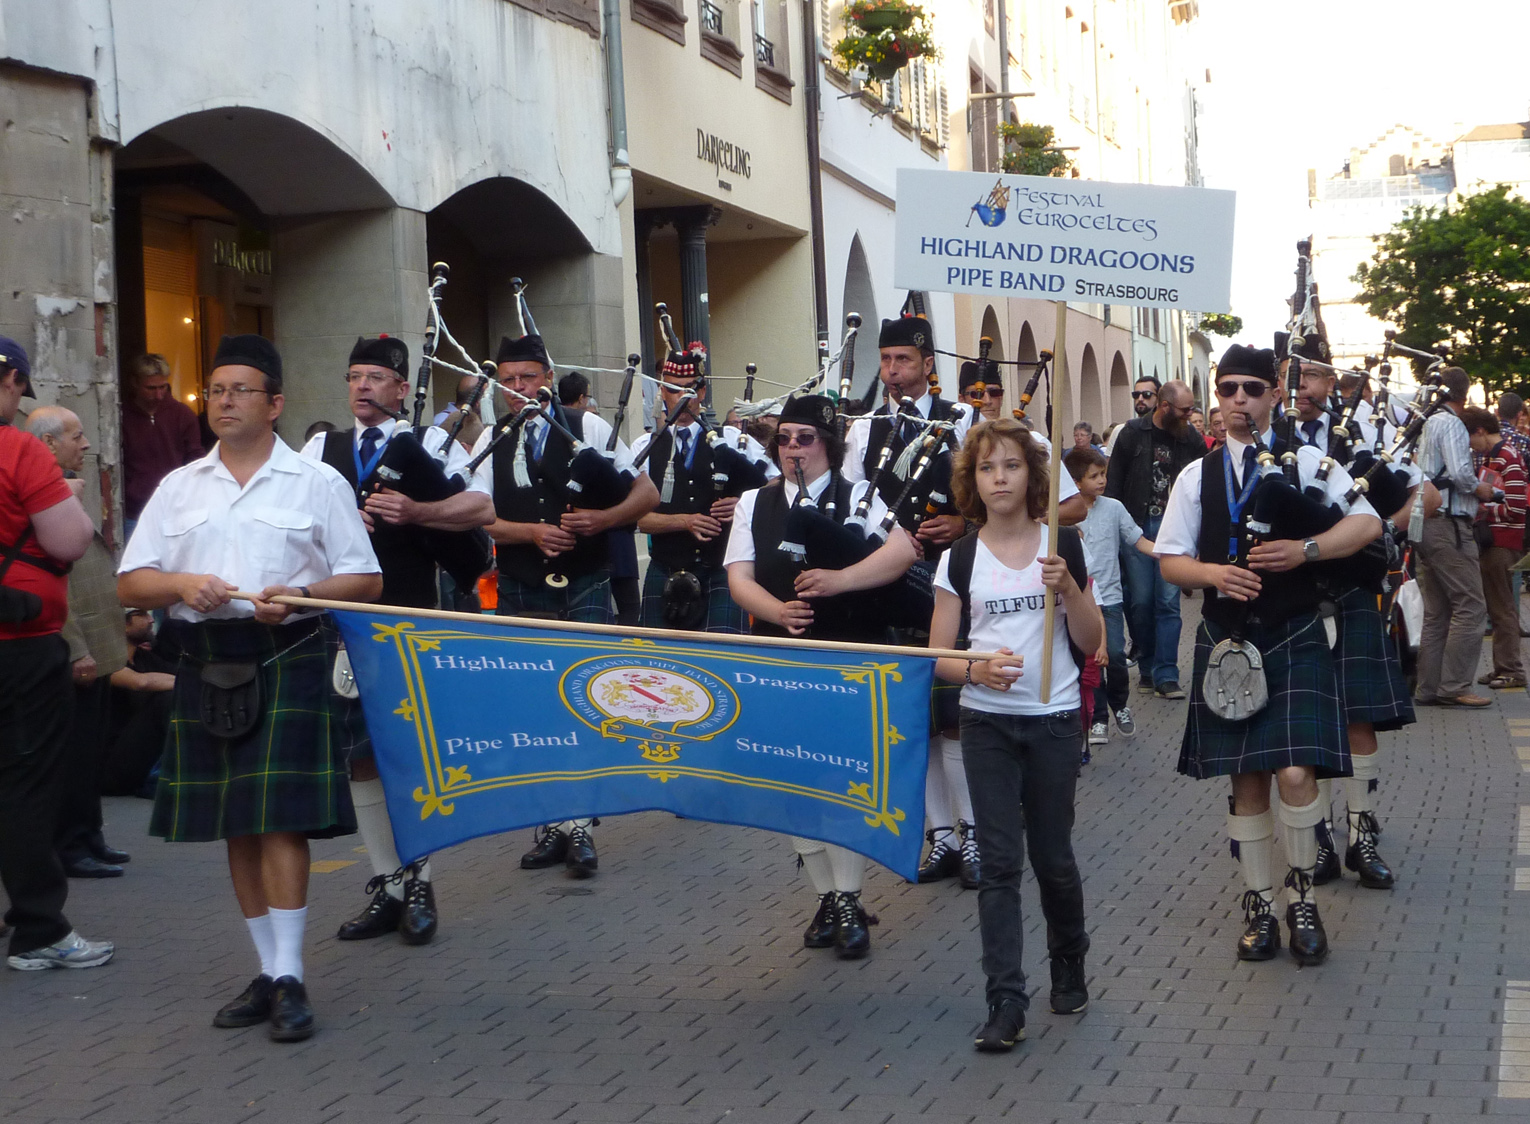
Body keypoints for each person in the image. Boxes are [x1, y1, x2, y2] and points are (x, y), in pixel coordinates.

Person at [118, 334, 383, 1040]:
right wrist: (179, 584)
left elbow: (364, 579)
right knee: (237, 821)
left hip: (285, 650)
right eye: (216, 389)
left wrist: (301, 593)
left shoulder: (317, 483)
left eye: (239, 389)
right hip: (205, 657)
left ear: (276, 403)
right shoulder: (180, 486)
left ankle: (292, 975)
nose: (223, 401)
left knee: (279, 816)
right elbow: (131, 580)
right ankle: (267, 972)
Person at [1156, 344, 1381, 967]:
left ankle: (1301, 894)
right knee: (1247, 777)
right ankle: (1259, 903)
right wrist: (1212, 575)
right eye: (1227, 388)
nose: (1238, 401)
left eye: (1252, 389)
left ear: (1274, 396)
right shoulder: (1195, 476)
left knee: (1295, 772)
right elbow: (1169, 558)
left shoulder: (1305, 460)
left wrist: (1306, 549)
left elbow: (1366, 526)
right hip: (1227, 633)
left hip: (1294, 629)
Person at [299, 336, 495, 947]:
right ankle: (386, 884)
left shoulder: (426, 446)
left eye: (376, 377)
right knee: (358, 758)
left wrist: (415, 511)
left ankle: (420, 881)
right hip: (334, 618)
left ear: (401, 389)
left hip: (401, 621)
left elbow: (480, 509)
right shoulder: (319, 448)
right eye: (355, 375)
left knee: (403, 754)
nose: (362, 386)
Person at [927, 417, 1101, 1051]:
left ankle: (1069, 960)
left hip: (1053, 721)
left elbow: (1092, 642)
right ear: (972, 482)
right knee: (999, 862)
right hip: (986, 724)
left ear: (1032, 476)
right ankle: (1005, 999)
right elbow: (936, 656)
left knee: (1052, 856)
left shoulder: (1065, 545)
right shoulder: (960, 557)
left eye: (1011, 466)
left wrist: (1070, 589)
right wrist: (976, 667)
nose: (999, 478)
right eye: (985, 468)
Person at [725, 393, 918, 959]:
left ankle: (850, 897)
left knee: (844, 779)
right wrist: (776, 611)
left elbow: (902, 552)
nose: (792, 449)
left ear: (827, 443)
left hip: (849, 658)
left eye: (804, 438)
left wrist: (841, 581)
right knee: (795, 785)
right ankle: (830, 898)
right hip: (778, 659)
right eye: (784, 438)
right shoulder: (752, 503)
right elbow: (740, 577)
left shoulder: (859, 494)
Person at [473, 332, 660, 877]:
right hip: (520, 582)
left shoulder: (587, 427)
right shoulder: (492, 435)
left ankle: (579, 827)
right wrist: (528, 532)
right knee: (534, 705)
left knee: (578, 699)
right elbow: (479, 515)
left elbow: (645, 493)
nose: (516, 390)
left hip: (582, 580)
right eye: (506, 381)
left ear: (548, 379)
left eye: (526, 378)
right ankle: (554, 824)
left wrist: (603, 520)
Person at [0, 337, 112, 971]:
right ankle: (39, 929)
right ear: (12, 380)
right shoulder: (19, 449)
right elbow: (69, 542)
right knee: (26, 787)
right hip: (20, 645)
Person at [26, 407, 134, 878]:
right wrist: (75, 649)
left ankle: (91, 834)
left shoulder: (69, 484)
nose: (86, 444)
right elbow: (49, 581)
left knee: (92, 749)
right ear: (48, 443)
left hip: (101, 637)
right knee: (72, 753)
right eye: (77, 435)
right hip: (78, 644)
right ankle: (70, 845)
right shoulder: (37, 492)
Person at [632, 347, 772, 634]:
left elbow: (778, 485)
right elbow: (636, 518)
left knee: (724, 658)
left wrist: (742, 505)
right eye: (673, 389)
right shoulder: (644, 448)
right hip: (664, 569)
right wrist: (684, 521)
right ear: (662, 391)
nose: (683, 398)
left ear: (702, 392)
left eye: (689, 389)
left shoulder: (731, 439)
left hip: (721, 572)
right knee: (660, 662)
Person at [1105, 379, 1204, 699]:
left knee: (1168, 603)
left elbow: (1204, 485)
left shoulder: (1192, 439)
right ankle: (1147, 666)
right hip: (1136, 527)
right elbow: (1113, 484)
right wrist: (1114, 531)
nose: (1190, 416)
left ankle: (1167, 673)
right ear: (1165, 407)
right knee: (1141, 601)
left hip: (1175, 530)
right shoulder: (1132, 433)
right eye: (1185, 410)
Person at [1414, 367, 1495, 708]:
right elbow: (1461, 474)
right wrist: (1485, 490)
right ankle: (1455, 686)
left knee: (1437, 611)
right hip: (1448, 522)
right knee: (1471, 604)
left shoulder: (1424, 422)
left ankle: (1428, 687)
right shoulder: (1451, 424)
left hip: (1423, 521)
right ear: (1465, 394)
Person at [1064, 446, 1153, 750]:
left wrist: (1169, 554)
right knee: (1090, 661)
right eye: (1095, 476)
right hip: (1080, 598)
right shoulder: (1065, 514)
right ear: (1076, 483)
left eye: (1103, 474)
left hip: (1111, 599)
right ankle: (1099, 715)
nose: (1102, 480)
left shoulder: (1113, 508)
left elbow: (1137, 539)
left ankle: (1120, 705)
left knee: (1114, 655)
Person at [1465, 408, 1526, 689]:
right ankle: (1502, 666)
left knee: (1503, 608)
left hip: (1502, 540)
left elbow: (1516, 506)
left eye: (1469, 437)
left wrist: (1483, 510)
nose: (1469, 445)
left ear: (1479, 430)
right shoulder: (1495, 456)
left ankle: (1512, 669)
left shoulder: (1508, 458)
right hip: (1494, 540)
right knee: (1498, 606)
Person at [120, 353, 205, 541]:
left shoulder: (183, 414)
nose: (158, 395)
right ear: (134, 383)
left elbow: (195, 460)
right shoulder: (121, 416)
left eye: (163, 387)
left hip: (176, 510)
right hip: (135, 513)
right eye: (151, 388)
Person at [101, 608, 176, 798]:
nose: (151, 620)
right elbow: (140, 682)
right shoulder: (103, 662)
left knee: (179, 695)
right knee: (166, 700)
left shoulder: (145, 658)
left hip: (138, 754)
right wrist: (192, 683)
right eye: (142, 615)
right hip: (107, 767)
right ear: (122, 624)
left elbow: (180, 673)